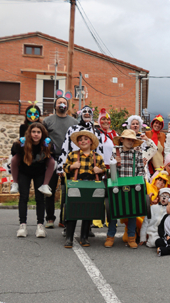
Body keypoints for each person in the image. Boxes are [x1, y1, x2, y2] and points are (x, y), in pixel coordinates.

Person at [62, 130, 105, 248]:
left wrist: (100, 170)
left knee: (88, 211)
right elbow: (64, 168)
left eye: (86, 139)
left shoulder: (97, 157)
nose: (83, 141)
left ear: (91, 142)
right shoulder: (73, 155)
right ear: (77, 143)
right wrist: (72, 166)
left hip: (90, 186)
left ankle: (84, 237)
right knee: (73, 210)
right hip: (76, 185)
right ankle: (69, 237)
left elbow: (104, 170)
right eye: (80, 140)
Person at [42, 91, 78, 228]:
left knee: (67, 190)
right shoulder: (47, 121)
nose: (62, 104)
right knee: (49, 190)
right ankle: (50, 219)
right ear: (55, 106)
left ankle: (64, 218)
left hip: (69, 160)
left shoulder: (74, 122)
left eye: (64, 103)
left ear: (67, 106)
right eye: (59, 103)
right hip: (51, 159)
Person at [11, 123, 54, 238]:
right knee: (23, 197)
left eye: (38, 132)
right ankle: (22, 225)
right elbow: (13, 152)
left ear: (42, 134)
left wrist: (49, 145)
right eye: (33, 132)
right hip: (24, 172)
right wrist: (19, 144)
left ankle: (40, 225)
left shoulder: (46, 144)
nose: (36, 134)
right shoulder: (24, 143)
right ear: (29, 133)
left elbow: (53, 152)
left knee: (40, 199)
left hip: (39, 172)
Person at [104, 130, 145, 249]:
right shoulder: (115, 152)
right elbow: (109, 174)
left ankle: (132, 237)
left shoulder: (137, 154)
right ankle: (110, 236)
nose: (130, 142)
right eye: (128, 139)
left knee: (132, 211)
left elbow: (141, 171)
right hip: (117, 186)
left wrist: (138, 182)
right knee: (113, 211)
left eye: (132, 140)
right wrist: (114, 164)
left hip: (132, 186)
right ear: (122, 140)